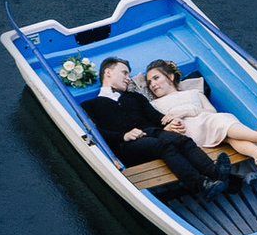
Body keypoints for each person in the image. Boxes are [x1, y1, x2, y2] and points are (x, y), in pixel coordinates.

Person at [84, 58, 225, 198]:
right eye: (124, 73)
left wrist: (171, 122)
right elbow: (96, 132)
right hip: (126, 145)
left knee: (182, 140)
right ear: (108, 72)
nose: (128, 78)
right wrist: (123, 136)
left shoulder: (135, 97)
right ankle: (201, 185)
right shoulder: (91, 105)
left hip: (152, 132)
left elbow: (156, 117)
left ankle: (215, 173)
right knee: (163, 145)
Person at [142, 58, 257, 179]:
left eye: (156, 78)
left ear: (170, 77)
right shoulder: (153, 104)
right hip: (188, 131)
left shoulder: (194, 92)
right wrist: (176, 120)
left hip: (208, 123)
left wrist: (188, 110)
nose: (152, 85)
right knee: (223, 121)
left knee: (228, 135)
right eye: (149, 83)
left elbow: (211, 110)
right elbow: (158, 124)